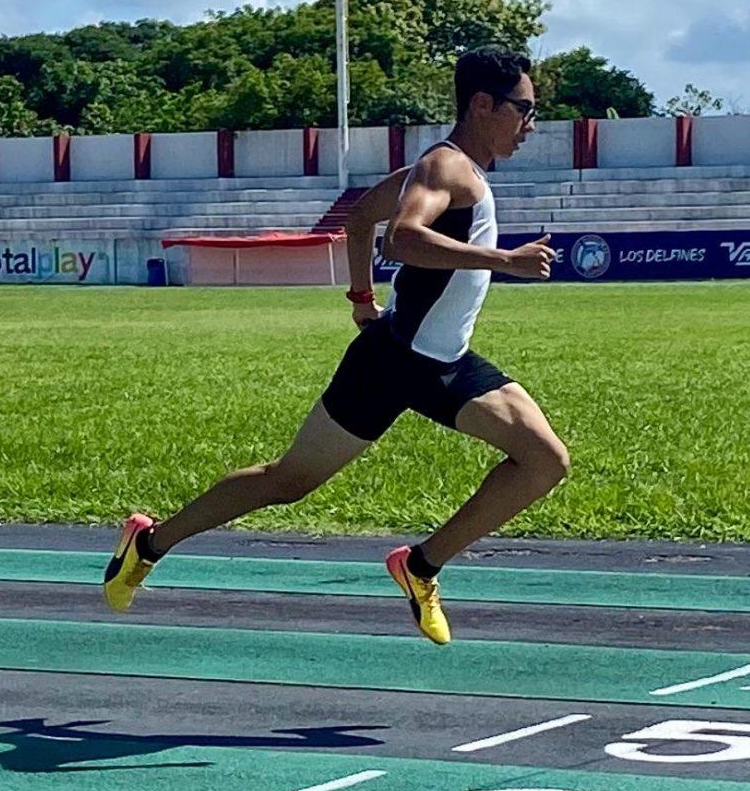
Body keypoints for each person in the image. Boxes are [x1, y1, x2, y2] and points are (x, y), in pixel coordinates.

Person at [101, 47, 569, 639]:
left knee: (545, 460)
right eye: (524, 109)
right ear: (483, 105)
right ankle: (148, 542)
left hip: (441, 364)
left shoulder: (445, 171)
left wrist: (360, 300)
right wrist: (505, 260)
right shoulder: (446, 170)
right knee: (289, 480)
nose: (531, 124)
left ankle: (421, 565)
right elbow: (399, 236)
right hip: (394, 363)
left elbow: (360, 219)